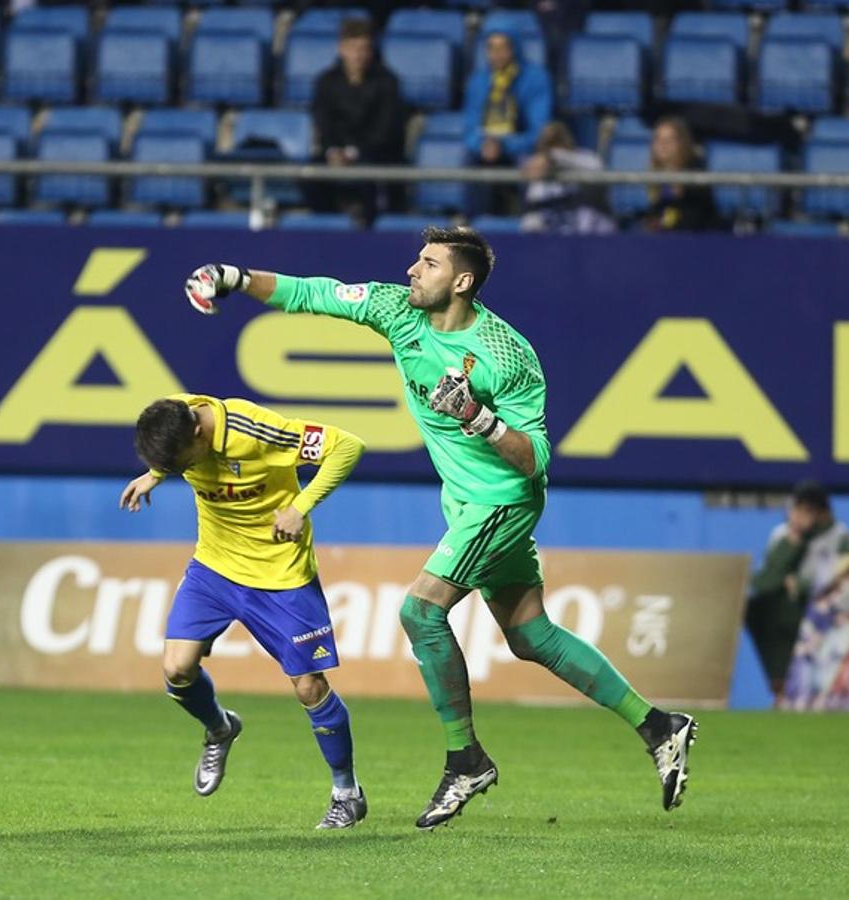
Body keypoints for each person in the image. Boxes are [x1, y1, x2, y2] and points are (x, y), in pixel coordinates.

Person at [183, 227, 697, 830]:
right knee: (530, 636)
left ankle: (465, 759)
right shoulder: (397, 311)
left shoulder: (507, 353)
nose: (411, 271)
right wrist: (235, 278)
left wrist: (477, 417)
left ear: (461, 281)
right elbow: (312, 293)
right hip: (465, 504)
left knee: (420, 612)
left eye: (427, 264)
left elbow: (535, 459)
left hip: (503, 501)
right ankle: (660, 725)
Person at [119, 393, 368, 829]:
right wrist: (156, 474)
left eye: (181, 464)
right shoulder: (175, 415)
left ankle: (346, 791)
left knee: (309, 687)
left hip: (280, 573)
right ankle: (220, 728)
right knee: (177, 669)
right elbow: (172, 451)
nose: (182, 472)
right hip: (214, 567)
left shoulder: (255, 431)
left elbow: (347, 446)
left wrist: (300, 507)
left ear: (199, 432)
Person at [746, 480, 849, 702]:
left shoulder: (841, 538)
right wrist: (792, 544)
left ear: (823, 513)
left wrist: (802, 585)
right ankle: (780, 683)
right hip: (790, 613)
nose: (798, 516)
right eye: (795, 508)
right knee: (758, 607)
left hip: (826, 615)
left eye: (806, 510)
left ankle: (820, 689)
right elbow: (762, 583)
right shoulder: (782, 535)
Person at [310, 17, 405, 219]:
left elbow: (384, 129)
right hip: (335, 154)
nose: (358, 55)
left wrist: (353, 153)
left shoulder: (387, 82)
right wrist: (333, 150)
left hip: (373, 155)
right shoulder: (326, 82)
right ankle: (327, 223)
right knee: (308, 175)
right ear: (341, 49)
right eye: (353, 48)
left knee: (375, 176)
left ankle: (367, 226)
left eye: (364, 48)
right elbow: (323, 122)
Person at [462, 31, 553, 168]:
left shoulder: (536, 77)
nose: (497, 54)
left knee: (533, 162)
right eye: (491, 48)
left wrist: (504, 145)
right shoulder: (477, 81)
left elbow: (539, 131)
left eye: (503, 47)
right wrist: (482, 144)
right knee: (466, 157)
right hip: (485, 149)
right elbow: (469, 128)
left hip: (521, 149)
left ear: (514, 48)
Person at [519, 121, 615, 235]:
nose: (556, 147)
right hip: (557, 243)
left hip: (594, 238)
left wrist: (553, 157)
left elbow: (597, 167)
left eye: (558, 140)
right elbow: (531, 220)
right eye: (549, 144)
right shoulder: (540, 181)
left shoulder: (585, 159)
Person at [639, 116, 721, 233]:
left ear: (682, 143)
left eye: (669, 140)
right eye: (658, 139)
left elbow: (693, 218)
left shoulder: (696, 174)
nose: (663, 145)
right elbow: (659, 216)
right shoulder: (654, 176)